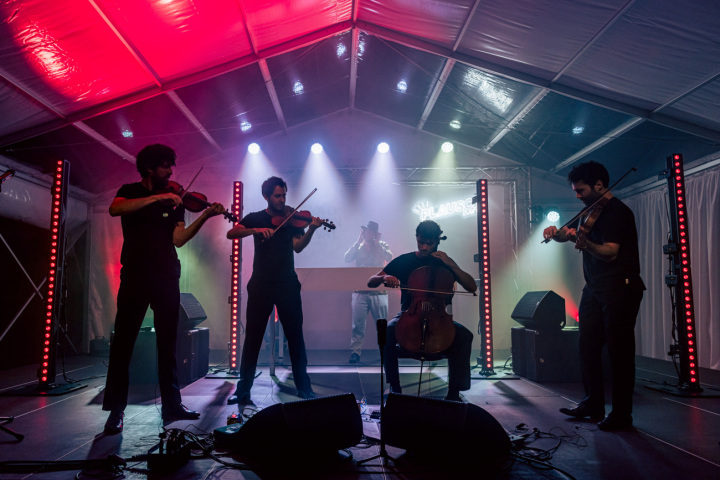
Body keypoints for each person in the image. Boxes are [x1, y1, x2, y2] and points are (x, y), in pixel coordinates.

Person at [102, 144, 225, 435]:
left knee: (168, 344)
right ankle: (116, 411)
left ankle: (172, 404)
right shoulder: (130, 190)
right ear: (149, 168)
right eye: (165, 166)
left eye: (171, 166)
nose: (171, 172)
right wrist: (158, 197)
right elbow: (114, 208)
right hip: (135, 276)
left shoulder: (176, 202)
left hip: (167, 276)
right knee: (123, 345)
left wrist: (205, 217)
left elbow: (179, 239)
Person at [544, 161, 645, 431]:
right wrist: (556, 234)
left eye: (581, 190)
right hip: (595, 288)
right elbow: (569, 234)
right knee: (587, 345)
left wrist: (585, 244)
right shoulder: (590, 211)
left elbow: (611, 252)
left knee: (619, 352)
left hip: (620, 287)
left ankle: (622, 414)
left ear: (599, 185)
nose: (577, 195)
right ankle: (593, 402)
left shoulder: (617, 213)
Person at [226, 176, 322, 404]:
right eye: (277, 196)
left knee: (295, 337)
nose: (282, 200)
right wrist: (256, 230)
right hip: (261, 283)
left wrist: (312, 230)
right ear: (266, 196)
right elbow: (232, 233)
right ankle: (244, 389)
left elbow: (298, 248)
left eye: (284, 195)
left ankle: (304, 387)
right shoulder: (256, 218)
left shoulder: (291, 220)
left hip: (287, 282)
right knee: (253, 338)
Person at [367, 220, 477, 401]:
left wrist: (451, 264)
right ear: (417, 238)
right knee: (387, 332)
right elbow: (371, 281)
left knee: (465, 336)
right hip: (408, 315)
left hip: (439, 318)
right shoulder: (405, 260)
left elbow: (471, 286)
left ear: (437, 241)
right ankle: (395, 388)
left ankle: (454, 393)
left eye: (430, 243)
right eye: (421, 242)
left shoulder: (445, 262)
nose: (425, 247)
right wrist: (385, 276)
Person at [344, 221, 393, 363]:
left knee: (382, 324)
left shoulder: (382, 245)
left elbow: (389, 257)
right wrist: (357, 242)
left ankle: (384, 352)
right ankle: (355, 352)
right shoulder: (358, 246)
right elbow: (347, 258)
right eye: (366, 231)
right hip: (360, 290)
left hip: (379, 291)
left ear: (375, 233)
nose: (367, 233)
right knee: (357, 325)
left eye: (370, 231)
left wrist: (377, 244)